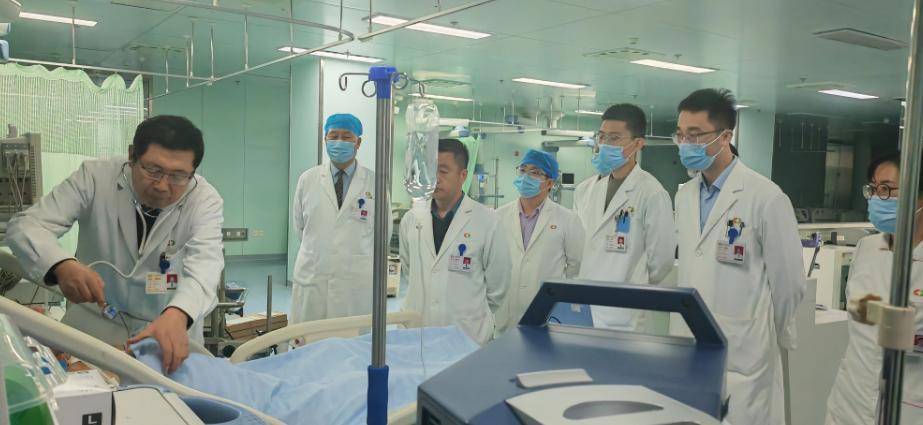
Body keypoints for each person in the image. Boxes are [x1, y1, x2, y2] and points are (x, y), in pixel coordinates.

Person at [7, 115, 223, 373]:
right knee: (82, 391)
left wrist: (179, 313)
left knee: (168, 397)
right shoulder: (95, 177)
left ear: (193, 172)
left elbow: (206, 265)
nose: (162, 186)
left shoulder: (203, 200)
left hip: (166, 331)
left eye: (178, 176)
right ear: (132, 155)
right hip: (94, 325)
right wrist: (61, 265)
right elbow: (26, 226)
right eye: (152, 170)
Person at [672, 88, 805, 425]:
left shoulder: (766, 198)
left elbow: (789, 283)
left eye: (695, 135)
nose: (685, 143)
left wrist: (773, 335)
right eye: (681, 134)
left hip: (743, 353)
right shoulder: (684, 196)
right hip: (689, 344)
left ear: (725, 137)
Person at [825, 152, 923, 425]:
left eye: (887, 189)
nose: (878, 198)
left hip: (910, 405)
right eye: (874, 188)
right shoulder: (866, 248)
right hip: (850, 401)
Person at [573, 103, 675, 331]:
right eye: (602, 137)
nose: (605, 144)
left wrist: (635, 286)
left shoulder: (652, 193)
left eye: (615, 138)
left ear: (638, 144)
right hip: (585, 306)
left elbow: (662, 260)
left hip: (626, 313)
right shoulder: (587, 190)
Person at [399, 139, 510, 345]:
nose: (435, 178)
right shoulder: (411, 218)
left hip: (467, 334)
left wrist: (469, 313)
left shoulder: (487, 221)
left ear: (463, 175)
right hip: (417, 332)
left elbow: (498, 286)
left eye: (443, 171)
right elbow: (408, 269)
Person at [291, 113, 391, 326]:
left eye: (346, 137)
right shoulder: (307, 179)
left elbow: (384, 234)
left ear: (358, 142)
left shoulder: (375, 183)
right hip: (314, 275)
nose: (339, 142)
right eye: (333, 136)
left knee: (351, 339)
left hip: (355, 281)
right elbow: (300, 227)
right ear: (325, 139)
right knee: (310, 338)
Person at [496, 150, 584, 332]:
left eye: (535, 172)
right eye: (523, 170)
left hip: (546, 313)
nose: (526, 177)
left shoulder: (568, 220)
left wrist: (559, 298)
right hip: (503, 314)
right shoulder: (498, 216)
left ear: (549, 183)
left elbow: (576, 266)